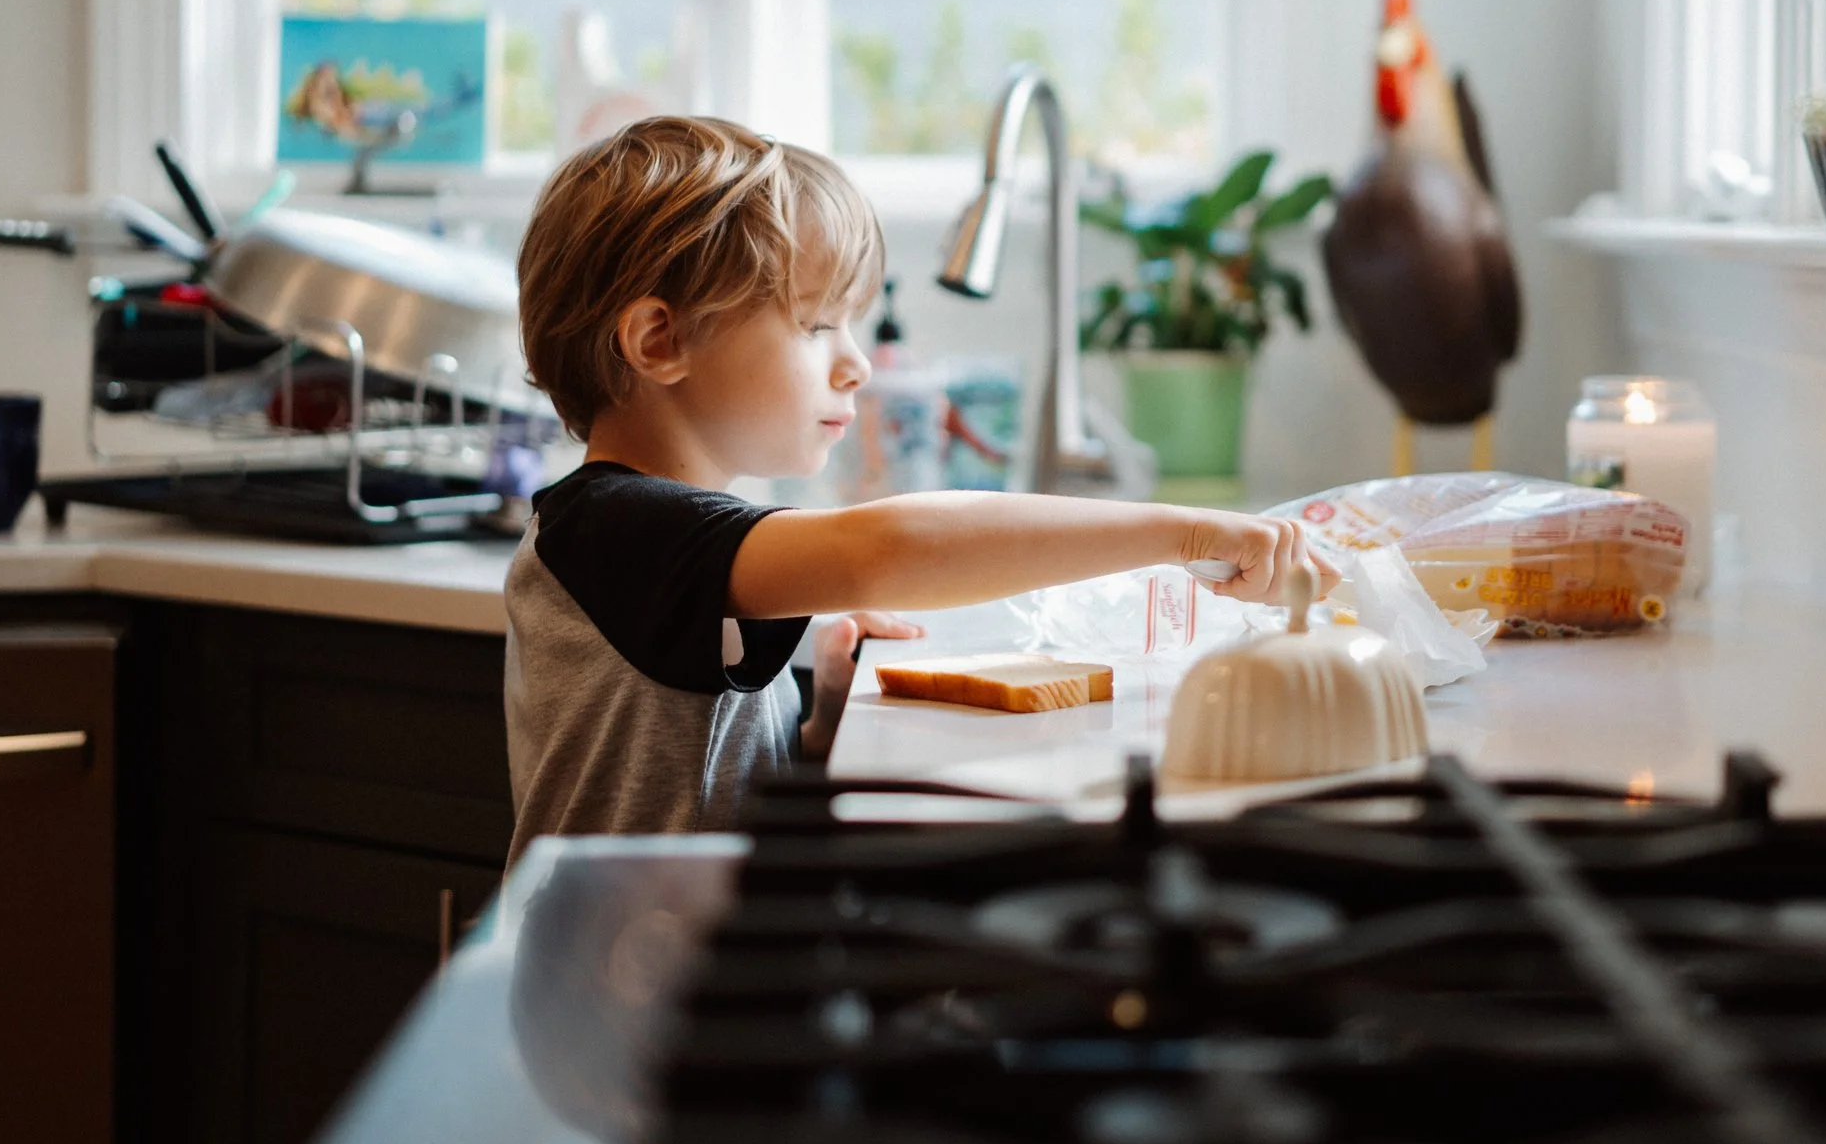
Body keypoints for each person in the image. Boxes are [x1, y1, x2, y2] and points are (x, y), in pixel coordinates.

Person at [502, 114, 1337, 866]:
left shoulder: (670, 544)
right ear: (659, 340)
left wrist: (821, 725)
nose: (856, 363)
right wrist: (1183, 534)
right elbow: (888, 548)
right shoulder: (611, 527)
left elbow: (709, 796)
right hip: (607, 980)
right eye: (816, 325)